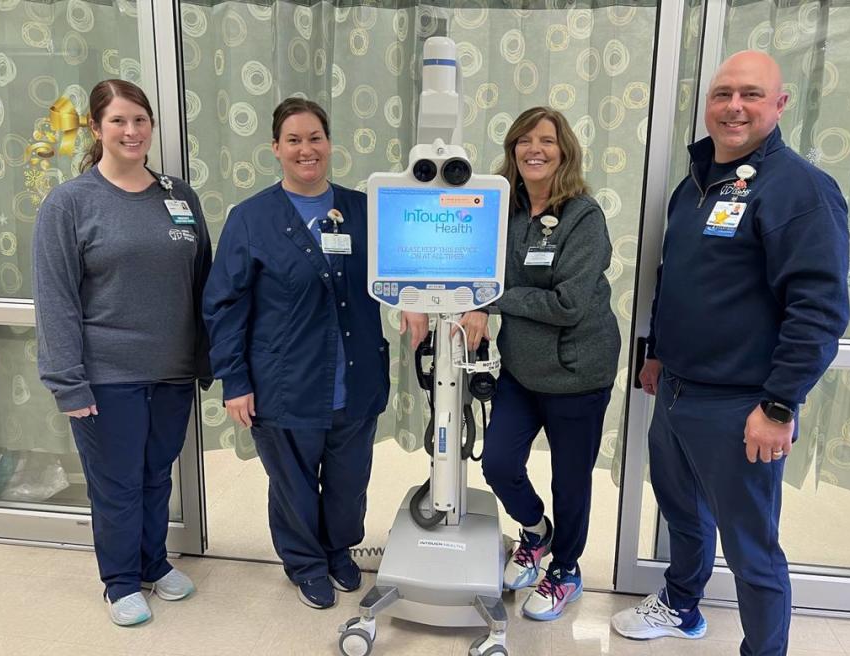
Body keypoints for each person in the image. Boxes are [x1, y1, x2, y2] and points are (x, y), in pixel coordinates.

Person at [610, 51, 849, 655]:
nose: (733, 107)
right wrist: (658, 354)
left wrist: (778, 404)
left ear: (779, 104)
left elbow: (818, 311)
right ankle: (682, 605)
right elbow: (680, 276)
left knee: (752, 549)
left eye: (750, 94)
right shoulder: (697, 182)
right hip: (677, 391)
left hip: (743, 405)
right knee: (683, 515)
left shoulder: (800, 190)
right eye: (722, 95)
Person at [203, 98, 426, 610]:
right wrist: (234, 380)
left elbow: (402, 260)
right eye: (295, 140)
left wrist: (412, 301)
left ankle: (338, 550)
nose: (307, 149)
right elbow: (223, 305)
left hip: (356, 379)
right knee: (294, 487)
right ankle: (305, 563)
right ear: (276, 149)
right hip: (285, 382)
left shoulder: (362, 209)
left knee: (348, 485)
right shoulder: (252, 218)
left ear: (330, 143)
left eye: (316, 138)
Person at [33, 79, 212, 626]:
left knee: (158, 475)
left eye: (140, 120)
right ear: (95, 128)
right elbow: (56, 297)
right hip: (107, 375)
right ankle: (119, 581)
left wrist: (209, 358)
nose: (131, 131)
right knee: (117, 483)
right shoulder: (70, 204)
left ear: (152, 126)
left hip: (172, 370)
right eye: (118, 121)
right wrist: (68, 381)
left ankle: (154, 563)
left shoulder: (178, 196)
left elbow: (204, 279)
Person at [458, 107, 620, 621]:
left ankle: (566, 570)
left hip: (578, 371)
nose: (535, 148)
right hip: (523, 370)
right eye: (524, 140)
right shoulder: (502, 211)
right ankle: (536, 532)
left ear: (563, 150)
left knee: (570, 481)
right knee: (498, 461)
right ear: (512, 150)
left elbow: (569, 304)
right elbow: (475, 267)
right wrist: (469, 298)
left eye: (546, 140)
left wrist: (495, 299)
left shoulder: (583, 216)